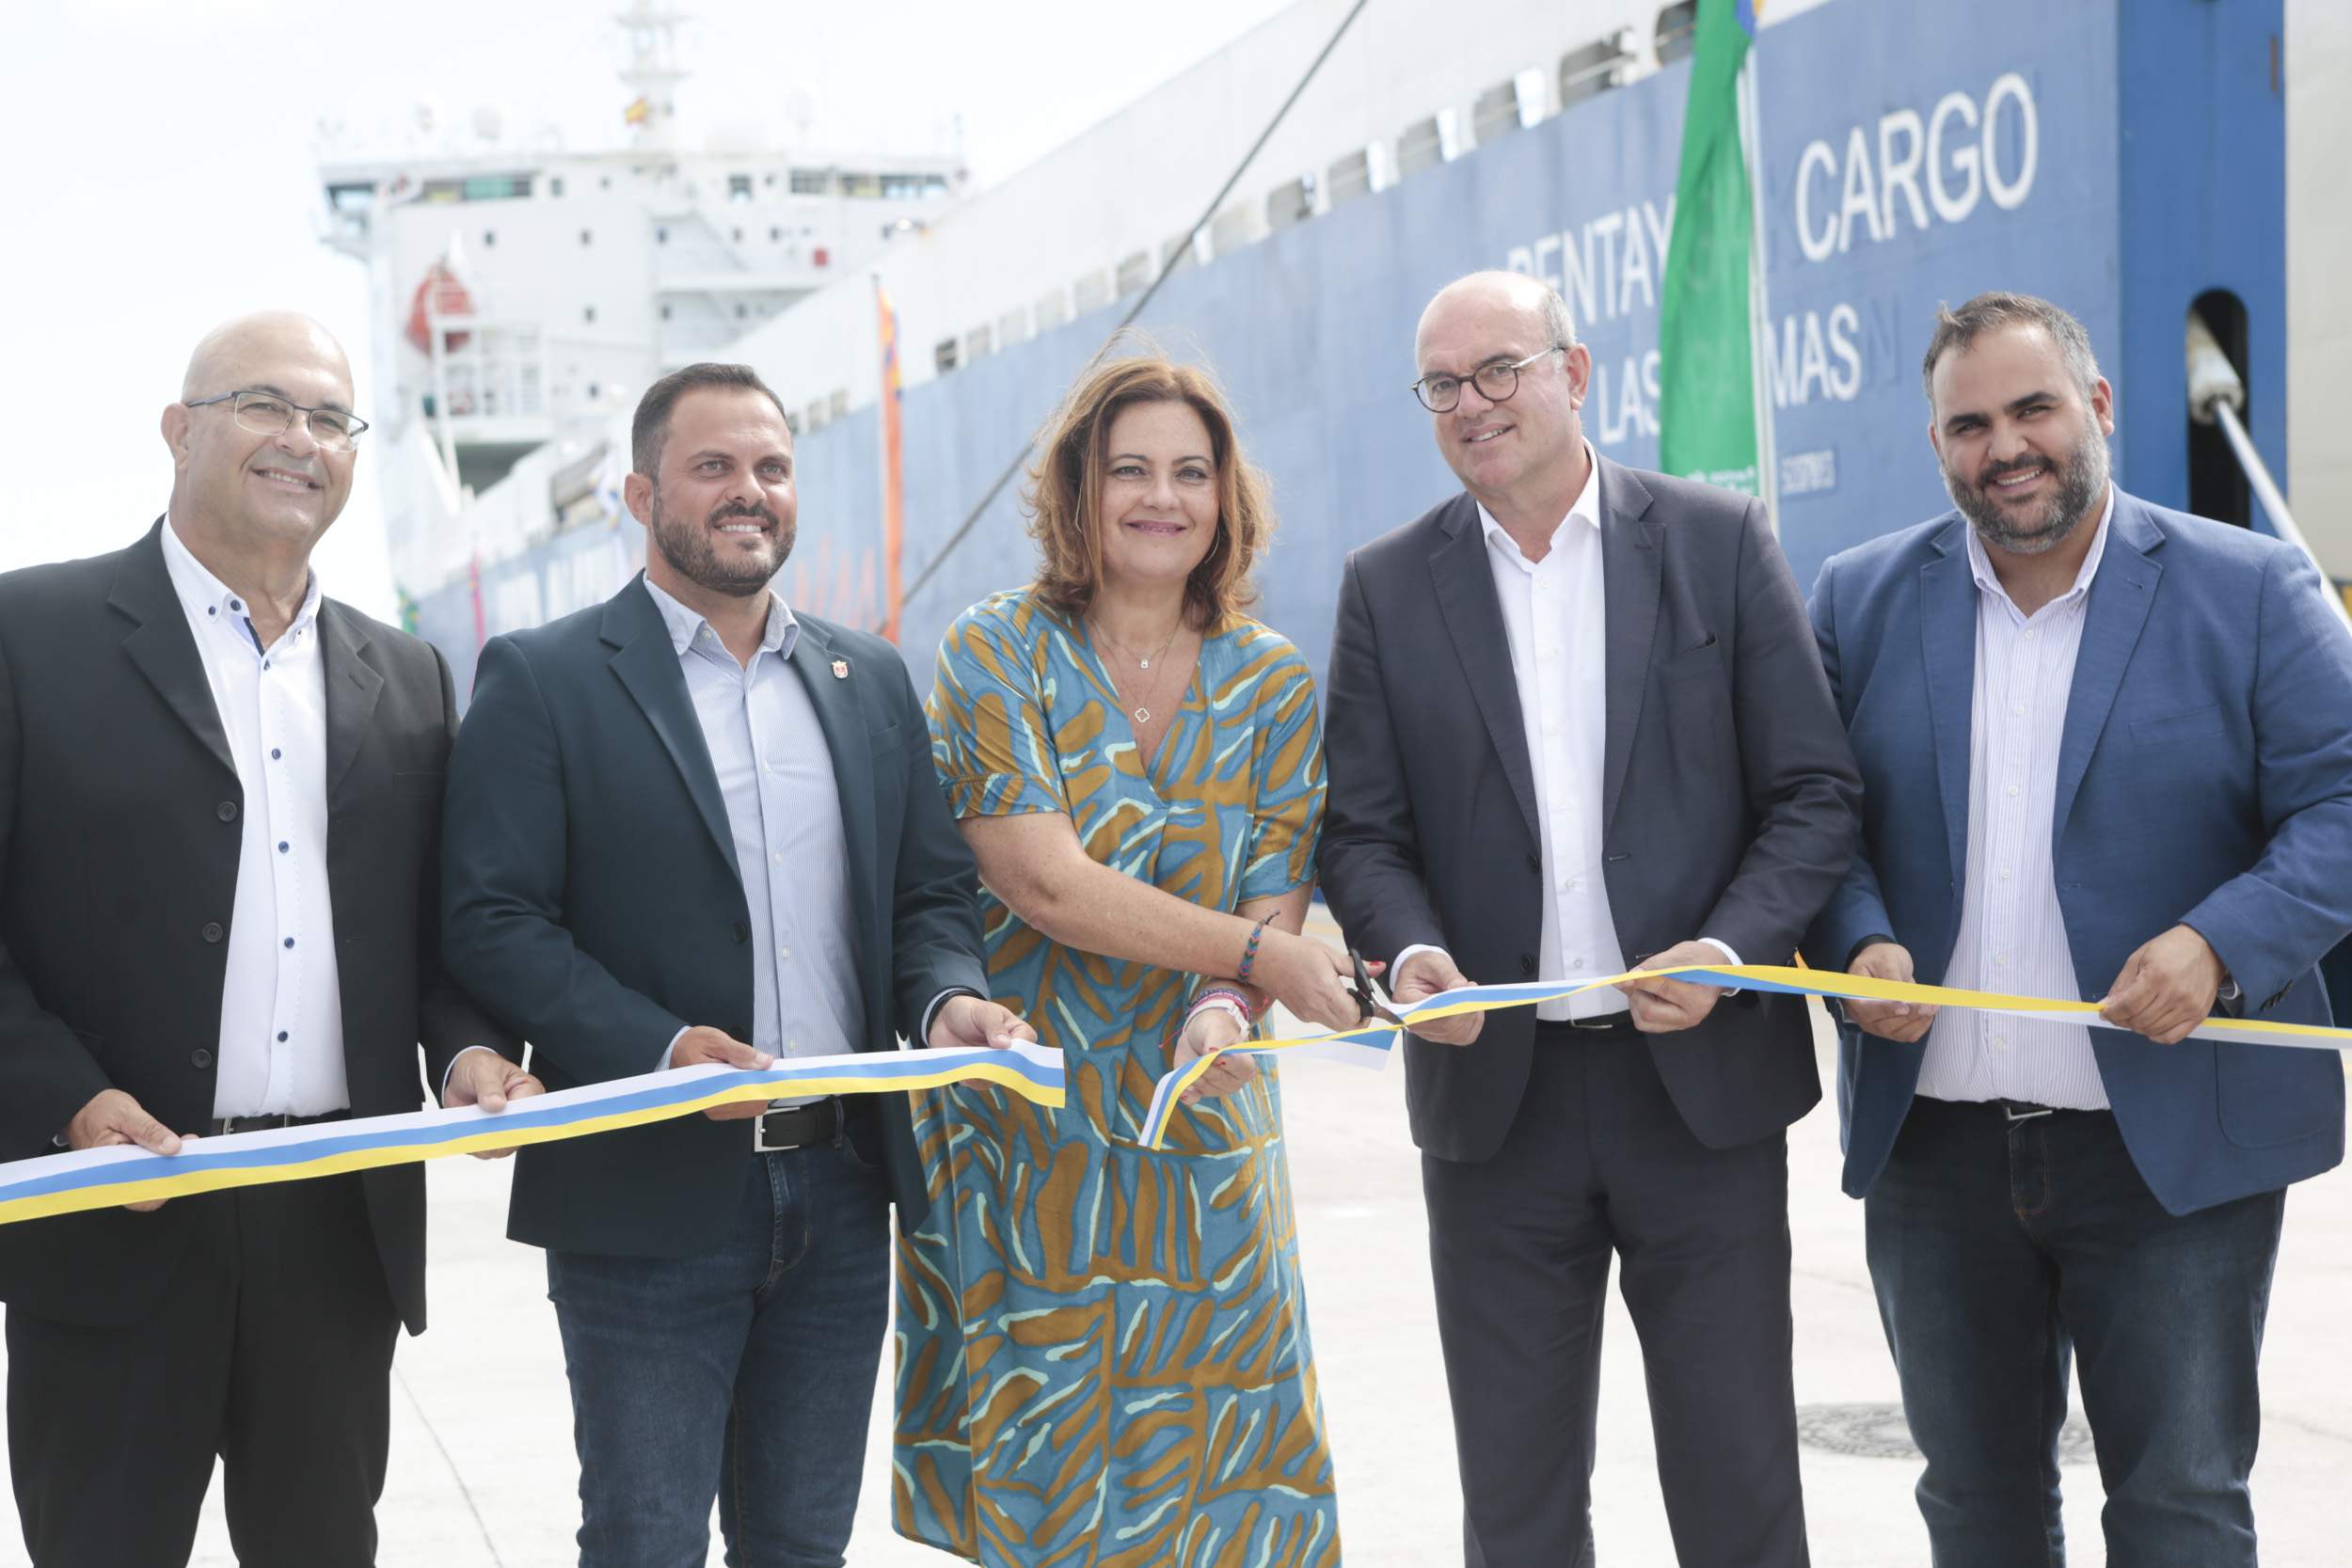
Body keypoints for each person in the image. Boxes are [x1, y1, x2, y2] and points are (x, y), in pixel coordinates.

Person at [439, 361, 1028, 1568]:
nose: (747, 491)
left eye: (769, 467)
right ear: (641, 491)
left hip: (842, 1189)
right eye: (713, 466)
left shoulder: (869, 679)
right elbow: (492, 915)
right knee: (646, 1541)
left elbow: (928, 896)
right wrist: (660, 1047)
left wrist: (950, 995)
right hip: (645, 1198)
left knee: (803, 1546)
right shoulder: (546, 678)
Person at [1317, 271, 1861, 1568]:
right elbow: (1361, 832)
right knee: (1517, 1501)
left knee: (1739, 1487)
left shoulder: (1717, 541)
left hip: (1701, 1094)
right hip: (1496, 1107)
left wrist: (1730, 951)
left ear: (1577, 370)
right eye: (1443, 384)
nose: (1472, 403)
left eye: (1499, 368)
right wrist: (1412, 951)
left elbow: (1813, 791)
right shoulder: (1386, 587)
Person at [1805, 291, 2352, 1566]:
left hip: (2168, 1156)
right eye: (1969, 422)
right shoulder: (1859, 599)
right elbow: (1814, 820)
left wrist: (2221, 942)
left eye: (2033, 407)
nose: (2006, 445)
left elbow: (2343, 798)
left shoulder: (2252, 587)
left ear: (2097, 407)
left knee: (2179, 1506)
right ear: (1938, 443)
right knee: (1977, 1505)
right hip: (1935, 1156)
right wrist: (1860, 939)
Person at [0, 311, 535, 1568]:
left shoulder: (404, 676)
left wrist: (465, 1048)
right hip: (111, 1211)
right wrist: (69, 1097)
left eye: (331, 419)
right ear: (178, 429)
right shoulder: (30, 638)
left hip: (332, 1221)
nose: (302, 440)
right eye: (263, 405)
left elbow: (435, 930)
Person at [894, 354, 1364, 1566]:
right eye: (1131, 470)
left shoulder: (1268, 678)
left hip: (1198, 1120)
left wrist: (1228, 1000)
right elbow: (1041, 881)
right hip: (1033, 1132)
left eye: (1191, 473)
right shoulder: (995, 650)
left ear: (1226, 498)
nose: (1163, 497)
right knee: (1049, 1486)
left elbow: (1275, 882)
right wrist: (1263, 952)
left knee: (1225, 1482)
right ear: (1078, 490)